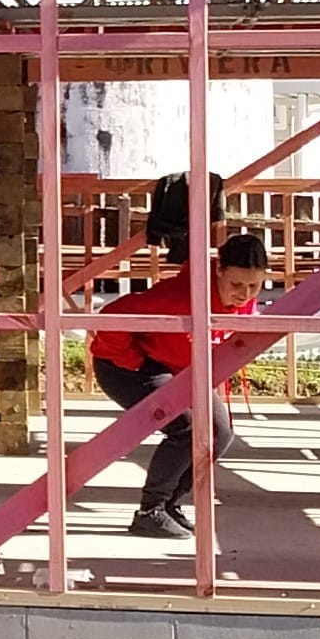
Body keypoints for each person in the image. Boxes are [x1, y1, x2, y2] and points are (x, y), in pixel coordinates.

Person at [88, 230, 269, 539]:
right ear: (219, 270)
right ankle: (150, 511)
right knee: (187, 428)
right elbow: (111, 316)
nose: (245, 294)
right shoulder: (180, 297)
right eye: (236, 285)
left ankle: (170, 504)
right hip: (126, 367)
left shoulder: (244, 301)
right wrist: (134, 360)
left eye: (254, 286)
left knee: (220, 432)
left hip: (178, 369)